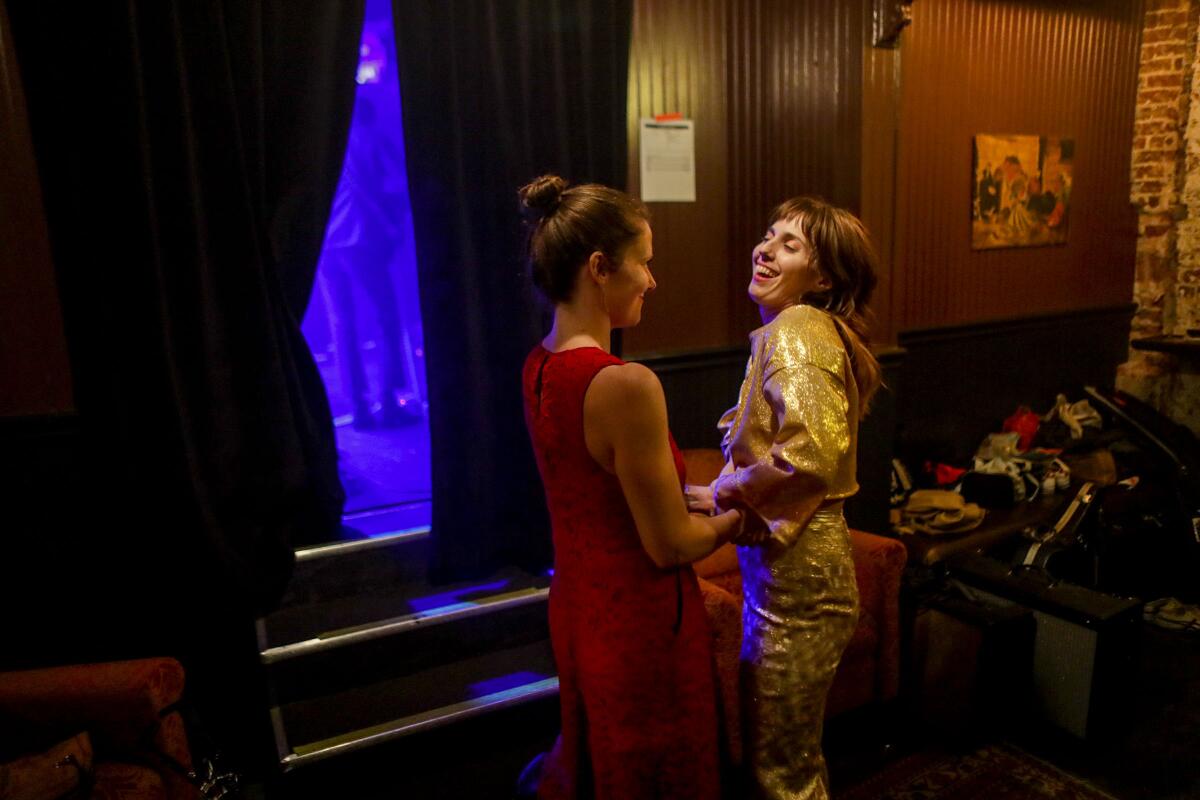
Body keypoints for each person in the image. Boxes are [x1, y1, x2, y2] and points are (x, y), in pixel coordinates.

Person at [518, 174, 744, 800]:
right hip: (640, 626)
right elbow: (669, 546)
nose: (651, 279)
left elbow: (597, 497)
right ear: (599, 267)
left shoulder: (539, 365)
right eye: (643, 262)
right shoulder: (625, 383)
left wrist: (694, 497)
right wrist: (739, 518)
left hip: (577, 610)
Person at [690, 196, 882, 800]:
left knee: (781, 771)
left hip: (801, 588)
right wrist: (722, 491)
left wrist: (726, 491)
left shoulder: (798, 328)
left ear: (822, 278)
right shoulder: (796, 329)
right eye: (768, 235)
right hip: (790, 581)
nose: (765, 249)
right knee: (785, 757)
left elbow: (811, 455)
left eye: (789, 245)